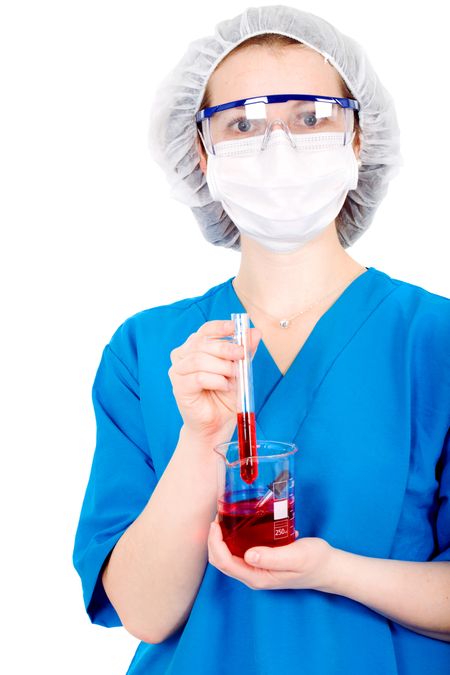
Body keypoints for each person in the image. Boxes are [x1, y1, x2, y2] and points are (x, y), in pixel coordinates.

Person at [72, 5, 450, 674]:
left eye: (310, 119)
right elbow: (144, 610)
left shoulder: (432, 340)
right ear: (201, 150)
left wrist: (333, 569)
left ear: (358, 138)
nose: (279, 146)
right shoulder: (147, 350)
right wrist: (198, 443)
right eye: (243, 124)